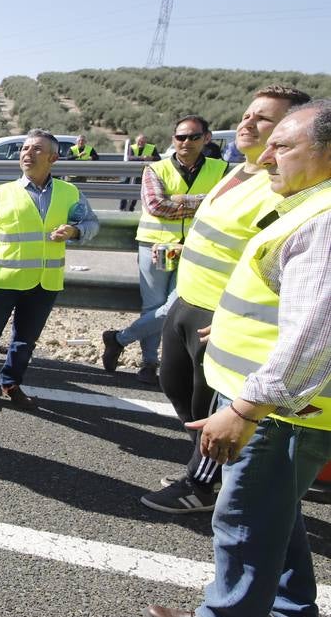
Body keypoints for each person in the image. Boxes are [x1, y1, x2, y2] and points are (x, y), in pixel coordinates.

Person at [146, 99, 331, 617]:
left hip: (278, 409)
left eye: (284, 145)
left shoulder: (323, 221)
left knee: (245, 513)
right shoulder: (307, 203)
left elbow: (312, 340)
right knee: (275, 508)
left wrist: (245, 408)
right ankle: (293, 611)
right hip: (274, 399)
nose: (266, 156)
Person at [140, 87, 308, 515]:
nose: (248, 123)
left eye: (264, 119)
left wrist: (241, 317)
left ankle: (202, 482)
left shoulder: (285, 185)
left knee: (210, 402)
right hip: (189, 298)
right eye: (248, 114)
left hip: (223, 314)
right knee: (176, 387)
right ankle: (205, 468)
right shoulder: (240, 171)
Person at [0, 129, 99, 409]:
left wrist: (75, 231)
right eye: (25, 148)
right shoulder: (2, 193)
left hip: (45, 282)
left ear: (53, 157)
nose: (27, 153)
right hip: (3, 279)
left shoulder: (69, 192)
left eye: (36, 149)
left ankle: (11, 382)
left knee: (25, 340)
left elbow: (92, 224)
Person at [102, 116, 227, 386]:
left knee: (174, 307)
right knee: (153, 306)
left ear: (207, 138)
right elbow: (157, 205)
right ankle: (149, 363)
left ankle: (119, 338)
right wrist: (204, 202)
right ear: (173, 139)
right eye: (181, 137)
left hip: (196, 246)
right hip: (155, 245)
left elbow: (226, 203)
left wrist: (180, 200)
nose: (186, 142)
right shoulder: (155, 168)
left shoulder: (222, 169)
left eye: (194, 136)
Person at [120, 132, 161, 212]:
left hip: (144, 173)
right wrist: (142, 158)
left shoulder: (152, 148)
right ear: (136, 141)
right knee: (125, 189)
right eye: (139, 141)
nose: (141, 143)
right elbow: (130, 158)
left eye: (143, 141)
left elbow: (158, 158)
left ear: (146, 141)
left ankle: (131, 208)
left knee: (136, 191)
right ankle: (122, 208)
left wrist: (151, 158)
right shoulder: (132, 147)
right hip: (131, 172)